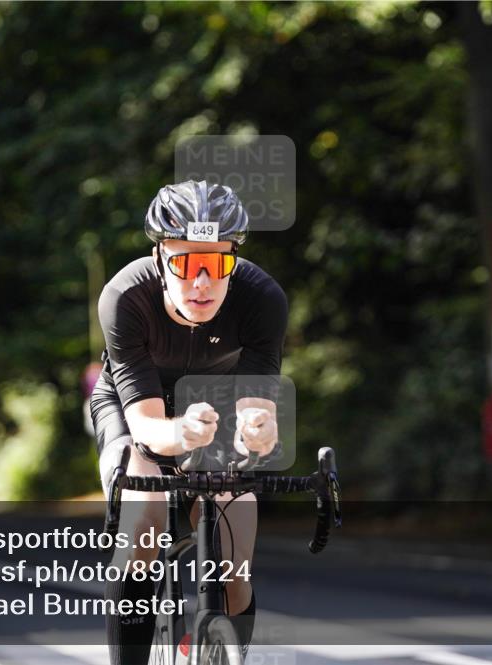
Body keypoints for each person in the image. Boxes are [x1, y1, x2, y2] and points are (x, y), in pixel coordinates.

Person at [91, 179, 288, 665]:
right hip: (135, 410)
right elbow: (148, 426)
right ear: (160, 258)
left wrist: (260, 431)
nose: (201, 282)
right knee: (145, 527)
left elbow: (255, 410)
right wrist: (179, 434)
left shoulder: (262, 298)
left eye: (217, 264)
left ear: (234, 261)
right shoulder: (124, 298)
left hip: (212, 408)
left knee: (236, 573)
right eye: (186, 263)